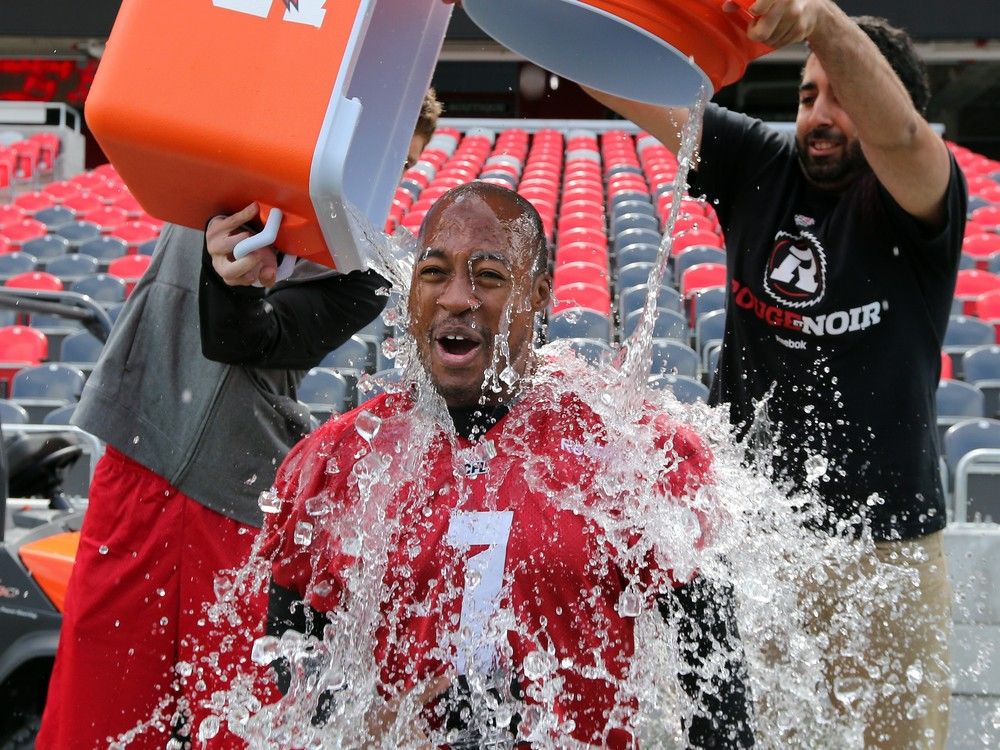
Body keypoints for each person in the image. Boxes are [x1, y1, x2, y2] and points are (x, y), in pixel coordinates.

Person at [586, 2, 965, 748]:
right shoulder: (759, 162)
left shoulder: (919, 192)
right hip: (759, 542)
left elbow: (900, 136)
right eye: (807, 94)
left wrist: (821, 20)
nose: (819, 116)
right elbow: (615, 71)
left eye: (843, 97)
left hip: (886, 553)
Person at [260, 182, 753, 748]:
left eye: (489, 276)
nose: (456, 298)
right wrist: (362, 726)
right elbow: (288, 657)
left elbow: (718, 693)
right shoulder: (341, 458)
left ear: (538, 294)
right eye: (434, 272)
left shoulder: (631, 450)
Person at [37, 92, 443, 750]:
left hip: (239, 500)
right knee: (93, 719)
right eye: (381, 151)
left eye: (403, 164)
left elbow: (251, 340)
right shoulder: (230, 155)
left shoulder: (369, 270)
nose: (385, 176)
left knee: (234, 729)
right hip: (139, 460)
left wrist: (233, 286)